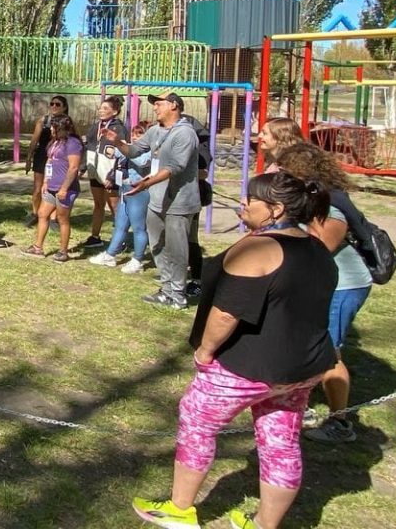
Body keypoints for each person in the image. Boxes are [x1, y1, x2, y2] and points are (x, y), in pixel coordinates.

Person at [131, 171, 337, 529]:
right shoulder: (316, 246)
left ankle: (180, 508)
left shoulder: (260, 249)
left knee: (197, 421)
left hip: (248, 367)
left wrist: (206, 352)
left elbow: (226, 313)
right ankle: (264, 524)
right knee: (280, 440)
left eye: (251, 199)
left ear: (275, 209)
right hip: (302, 368)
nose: (243, 203)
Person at [269, 142, 376, 445]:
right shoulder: (308, 202)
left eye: (285, 171)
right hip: (320, 283)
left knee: (330, 352)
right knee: (307, 344)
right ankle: (300, 401)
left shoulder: (332, 209)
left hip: (344, 285)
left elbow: (316, 251)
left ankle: (340, 422)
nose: (280, 176)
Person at [103, 92, 202, 310]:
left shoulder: (184, 133)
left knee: (177, 249)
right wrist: (117, 142)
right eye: (154, 104)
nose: (155, 108)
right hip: (156, 200)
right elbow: (135, 150)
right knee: (157, 245)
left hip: (179, 202)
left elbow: (175, 167)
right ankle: (166, 290)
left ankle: (178, 295)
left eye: (159, 104)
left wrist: (147, 183)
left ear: (174, 106)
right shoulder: (155, 131)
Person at [89, 122, 152, 274]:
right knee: (120, 224)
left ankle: (138, 260)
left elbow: (142, 162)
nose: (135, 137)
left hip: (138, 191)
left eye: (140, 134)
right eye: (134, 134)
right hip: (124, 189)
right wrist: (110, 145)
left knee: (138, 227)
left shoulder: (150, 152)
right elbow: (112, 154)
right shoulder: (128, 147)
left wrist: (124, 149)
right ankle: (110, 255)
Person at [23, 116, 83, 261]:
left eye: (54, 126)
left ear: (63, 128)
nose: (50, 129)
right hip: (51, 186)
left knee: (62, 219)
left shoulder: (73, 143)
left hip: (66, 188)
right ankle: (38, 247)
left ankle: (63, 251)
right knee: (43, 214)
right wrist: (45, 181)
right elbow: (49, 162)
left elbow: (74, 168)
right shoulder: (54, 142)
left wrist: (64, 189)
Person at [84, 96, 130, 250]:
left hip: (110, 173)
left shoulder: (119, 129)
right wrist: (83, 167)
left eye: (105, 109)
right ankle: (95, 236)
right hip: (95, 171)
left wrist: (113, 175)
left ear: (115, 112)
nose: (101, 111)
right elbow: (87, 146)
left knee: (114, 207)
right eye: (100, 108)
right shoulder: (95, 126)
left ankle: (120, 240)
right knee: (98, 204)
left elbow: (123, 153)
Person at [22, 95, 69, 227]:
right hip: (42, 156)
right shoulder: (43, 121)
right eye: (52, 103)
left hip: (59, 159)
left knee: (55, 188)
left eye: (57, 104)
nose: (54, 106)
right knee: (38, 189)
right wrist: (28, 158)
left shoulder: (67, 122)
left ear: (64, 107)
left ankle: (53, 218)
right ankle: (35, 213)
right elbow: (34, 141)